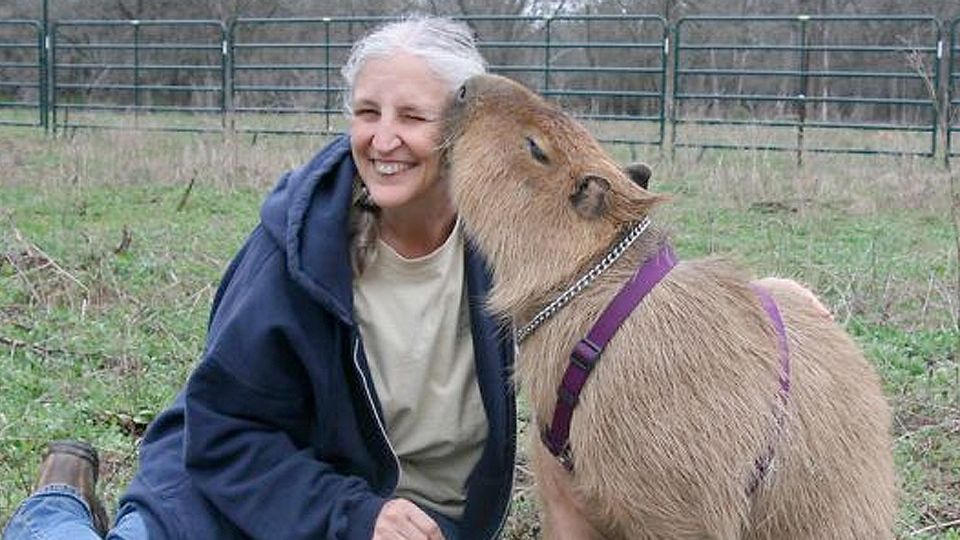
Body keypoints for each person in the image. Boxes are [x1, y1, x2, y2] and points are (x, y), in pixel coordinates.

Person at [3, 16, 516, 540]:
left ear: (463, 129)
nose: (384, 140)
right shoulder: (296, 247)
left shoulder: (509, 245)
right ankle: (54, 503)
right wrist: (356, 516)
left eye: (412, 117)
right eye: (367, 113)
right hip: (246, 501)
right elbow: (223, 433)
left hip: (415, 524)